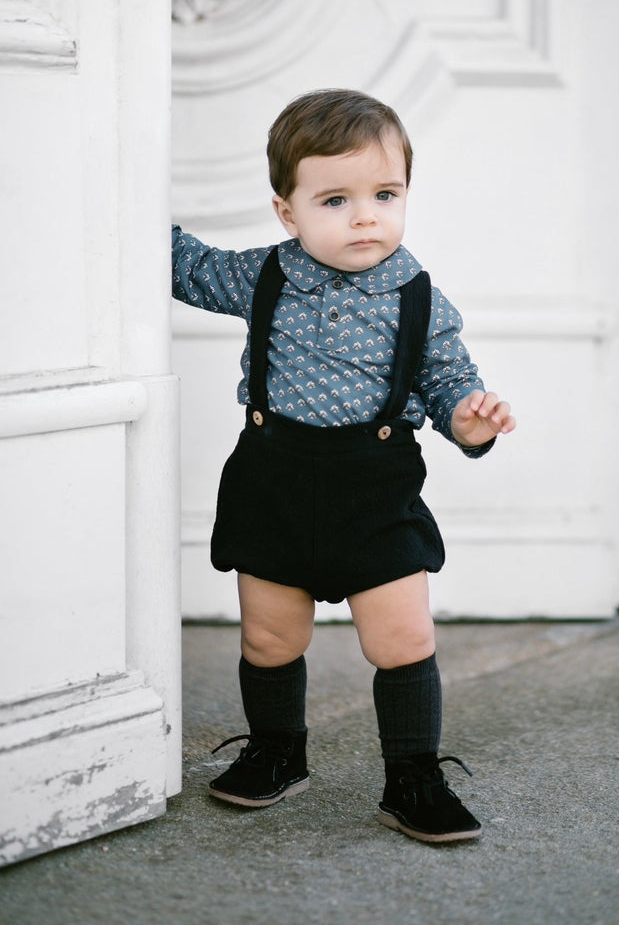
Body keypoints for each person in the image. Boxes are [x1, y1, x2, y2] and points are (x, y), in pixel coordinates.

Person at [172, 88, 515, 844]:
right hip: (273, 481)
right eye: (335, 199)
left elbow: (451, 383)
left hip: (374, 487)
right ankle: (275, 753)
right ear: (286, 213)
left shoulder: (419, 299)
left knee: (402, 642)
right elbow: (183, 265)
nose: (366, 216)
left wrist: (468, 418)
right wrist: (116, 196)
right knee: (269, 640)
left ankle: (412, 778)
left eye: (384, 194)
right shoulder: (262, 276)